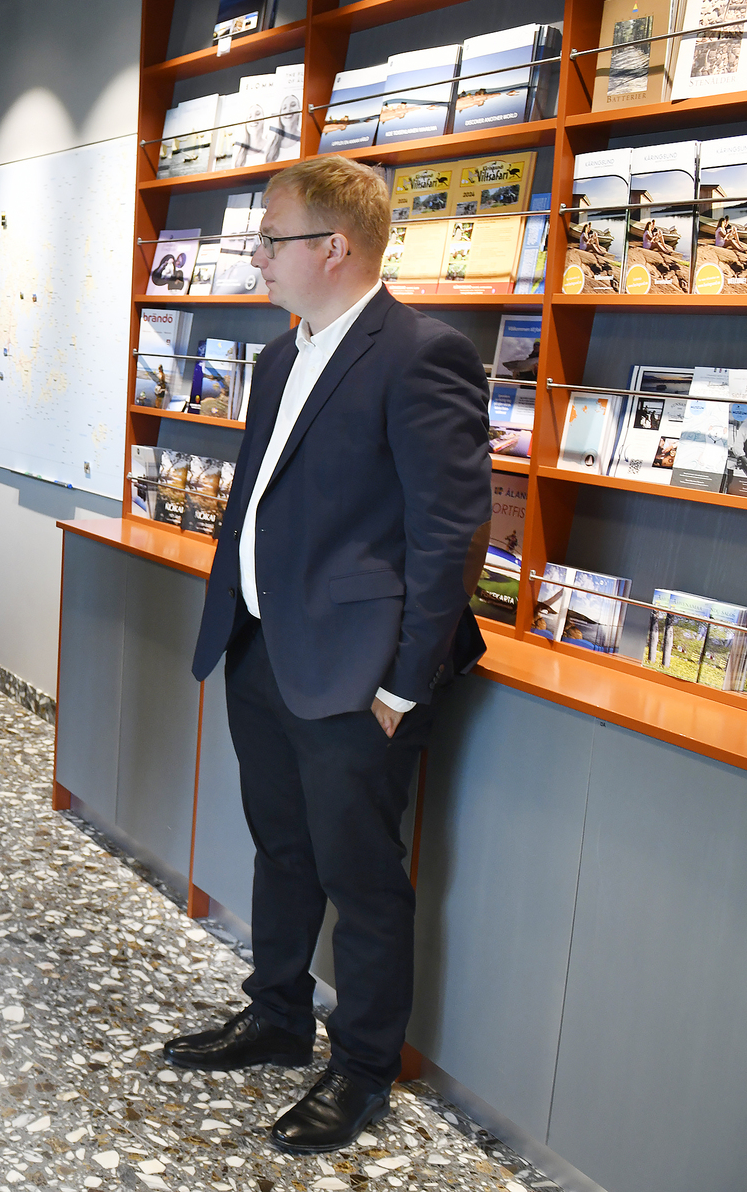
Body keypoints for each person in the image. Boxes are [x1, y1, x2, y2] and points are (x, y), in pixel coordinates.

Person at [165, 156, 490, 1153]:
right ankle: (276, 1015)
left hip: (358, 672)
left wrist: (404, 682)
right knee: (281, 846)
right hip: (262, 646)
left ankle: (360, 1068)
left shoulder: (421, 354)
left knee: (361, 878)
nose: (256, 255)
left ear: (334, 247)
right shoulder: (278, 357)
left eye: (271, 239)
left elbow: (449, 535)